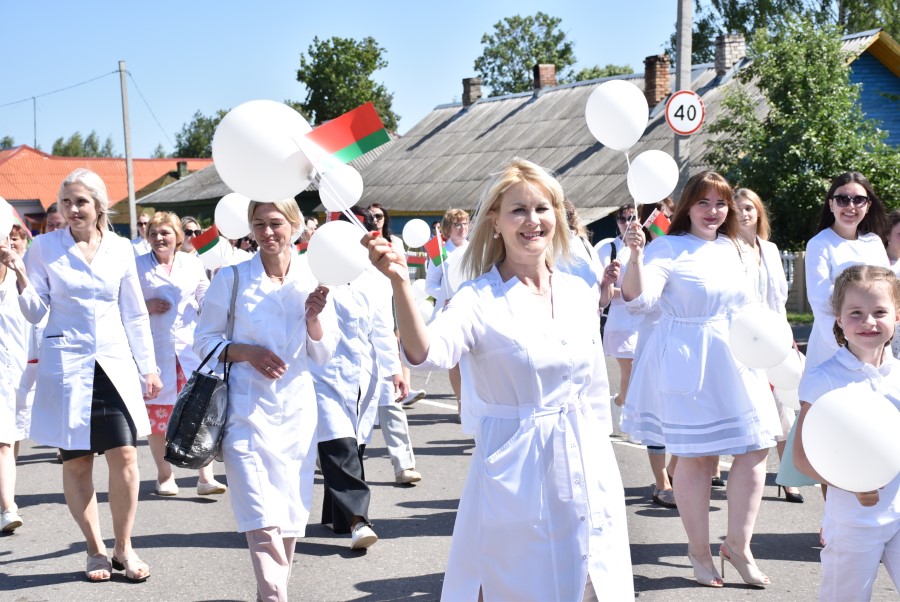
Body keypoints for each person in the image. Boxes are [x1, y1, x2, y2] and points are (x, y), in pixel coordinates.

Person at [365, 157, 633, 600]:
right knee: (518, 583)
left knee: (592, 580)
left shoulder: (577, 291)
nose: (533, 221)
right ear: (495, 222)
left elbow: (591, 388)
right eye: (518, 210)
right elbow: (426, 352)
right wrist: (398, 283)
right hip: (517, 467)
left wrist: (601, 457)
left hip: (587, 458)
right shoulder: (478, 298)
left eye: (542, 208)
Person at [0, 168, 161, 582]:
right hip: (67, 366)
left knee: (126, 455)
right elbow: (34, 312)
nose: (72, 209)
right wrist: (19, 273)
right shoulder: (44, 248)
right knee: (77, 462)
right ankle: (95, 549)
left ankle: (124, 546)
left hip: (112, 364)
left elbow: (134, 313)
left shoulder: (121, 248)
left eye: (81, 202)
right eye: (66, 202)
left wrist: (149, 366)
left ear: (99, 205)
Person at [621, 171, 781, 588]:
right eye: (703, 203)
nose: (713, 211)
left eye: (721, 203)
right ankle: (699, 550)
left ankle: (738, 546)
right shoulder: (668, 247)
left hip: (737, 357)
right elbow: (638, 301)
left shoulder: (732, 246)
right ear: (688, 207)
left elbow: (750, 304)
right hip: (688, 359)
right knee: (697, 457)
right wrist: (636, 257)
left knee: (756, 447)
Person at [193, 198, 337, 601]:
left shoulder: (314, 277)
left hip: (296, 413)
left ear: (294, 225)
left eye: (276, 223)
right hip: (245, 411)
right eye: (259, 224)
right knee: (259, 511)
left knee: (288, 514)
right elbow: (203, 342)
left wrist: (313, 318)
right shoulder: (233, 278)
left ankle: (269, 594)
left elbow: (325, 353)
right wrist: (246, 352)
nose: (267, 232)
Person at [793, 264, 900, 601]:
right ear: (838, 319)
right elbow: (801, 458)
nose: (868, 321)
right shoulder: (824, 378)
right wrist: (852, 485)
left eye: (879, 312)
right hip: (853, 522)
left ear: (897, 316)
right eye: (856, 313)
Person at [312, 207, 405, 549]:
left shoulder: (374, 279)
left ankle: (337, 516)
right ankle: (357, 521)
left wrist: (394, 369)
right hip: (321, 373)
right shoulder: (311, 273)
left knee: (354, 444)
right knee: (338, 442)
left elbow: (382, 329)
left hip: (364, 374)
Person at [136, 211, 226, 497]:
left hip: (188, 349)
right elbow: (125, 303)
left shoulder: (192, 263)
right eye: (153, 233)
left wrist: (218, 288)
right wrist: (147, 306)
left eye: (165, 233)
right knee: (158, 418)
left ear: (177, 236)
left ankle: (205, 476)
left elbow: (205, 298)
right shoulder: (137, 266)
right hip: (155, 351)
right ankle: (165, 475)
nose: (159, 238)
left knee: (198, 411)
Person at [734, 187, 804, 504]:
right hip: (743, 340)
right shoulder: (725, 248)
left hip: (775, 337)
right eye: (737, 208)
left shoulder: (771, 249)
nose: (744, 213)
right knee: (744, 409)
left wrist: (788, 340)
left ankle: (788, 478)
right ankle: (712, 471)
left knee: (784, 408)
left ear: (758, 212)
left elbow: (780, 300)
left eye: (749, 207)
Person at [805, 171, 889, 369]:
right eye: (842, 199)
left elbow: (888, 293)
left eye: (859, 200)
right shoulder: (819, 244)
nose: (851, 206)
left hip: (875, 340)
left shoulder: (874, 242)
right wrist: (847, 347)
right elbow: (821, 302)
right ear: (831, 204)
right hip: (835, 346)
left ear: (868, 205)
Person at [368, 203, 426, 407]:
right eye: (371, 216)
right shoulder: (367, 241)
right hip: (375, 293)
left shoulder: (395, 241)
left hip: (393, 291)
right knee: (384, 338)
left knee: (400, 339)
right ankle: (386, 386)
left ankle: (405, 386)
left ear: (385, 218)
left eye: (379, 216)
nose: (375, 219)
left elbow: (401, 266)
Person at [423, 208, 470, 411]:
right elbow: (430, 285)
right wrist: (445, 294)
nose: (462, 228)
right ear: (448, 229)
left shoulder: (474, 249)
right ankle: (461, 402)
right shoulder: (440, 253)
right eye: (457, 224)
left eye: (465, 223)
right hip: (451, 310)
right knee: (457, 361)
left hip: (473, 309)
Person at [0, 224, 28, 532]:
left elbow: (37, 310)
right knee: (3, 439)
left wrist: (19, 270)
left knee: (13, 434)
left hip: (18, 366)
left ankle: (5, 497)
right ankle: (8, 507)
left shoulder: (22, 271)